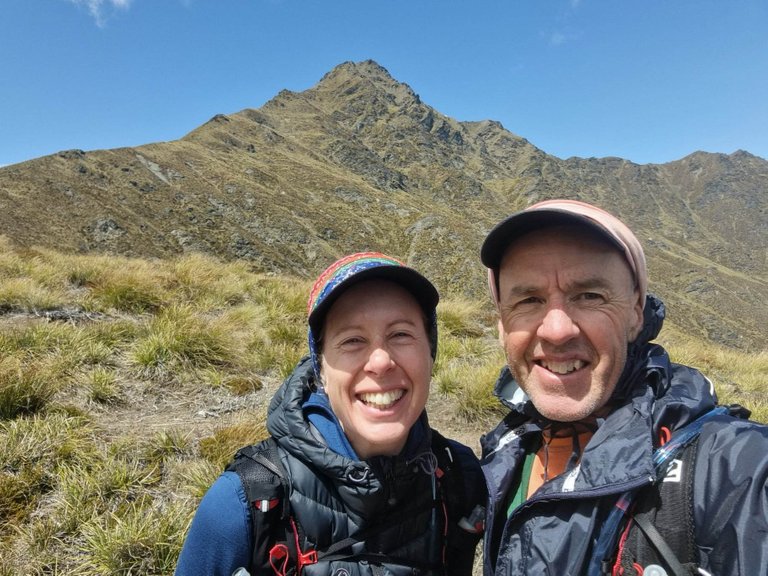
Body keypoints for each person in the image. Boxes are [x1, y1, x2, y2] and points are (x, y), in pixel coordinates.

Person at [478, 199, 768, 576]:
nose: (556, 330)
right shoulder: (503, 452)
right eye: (528, 300)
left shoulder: (734, 469)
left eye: (589, 296)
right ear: (502, 324)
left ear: (636, 312)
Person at [175, 252, 486, 576]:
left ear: (430, 351)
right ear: (320, 368)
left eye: (401, 334)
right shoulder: (243, 503)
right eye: (353, 340)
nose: (380, 362)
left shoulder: (460, 477)